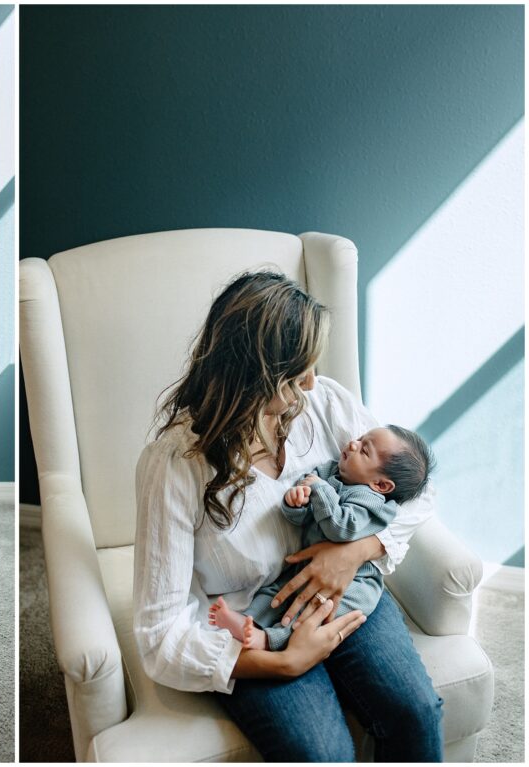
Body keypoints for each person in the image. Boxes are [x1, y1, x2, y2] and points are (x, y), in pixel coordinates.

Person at [132, 270, 443, 761]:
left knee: (416, 712)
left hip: (347, 587)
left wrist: (354, 553)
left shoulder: (324, 403)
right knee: (322, 755)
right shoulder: (175, 464)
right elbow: (159, 635)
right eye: (296, 370)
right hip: (256, 619)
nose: (311, 382)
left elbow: (416, 492)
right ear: (251, 372)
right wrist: (282, 663)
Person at [209, 425, 435, 651]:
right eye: (360, 439)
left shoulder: (370, 501)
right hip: (308, 566)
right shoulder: (331, 471)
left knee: (313, 614)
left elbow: (341, 527)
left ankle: (270, 640)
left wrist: (319, 489)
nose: (353, 444)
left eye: (364, 451)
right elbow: (304, 516)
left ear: (381, 485)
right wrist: (295, 503)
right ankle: (249, 621)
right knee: (276, 593)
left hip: (355, 584)